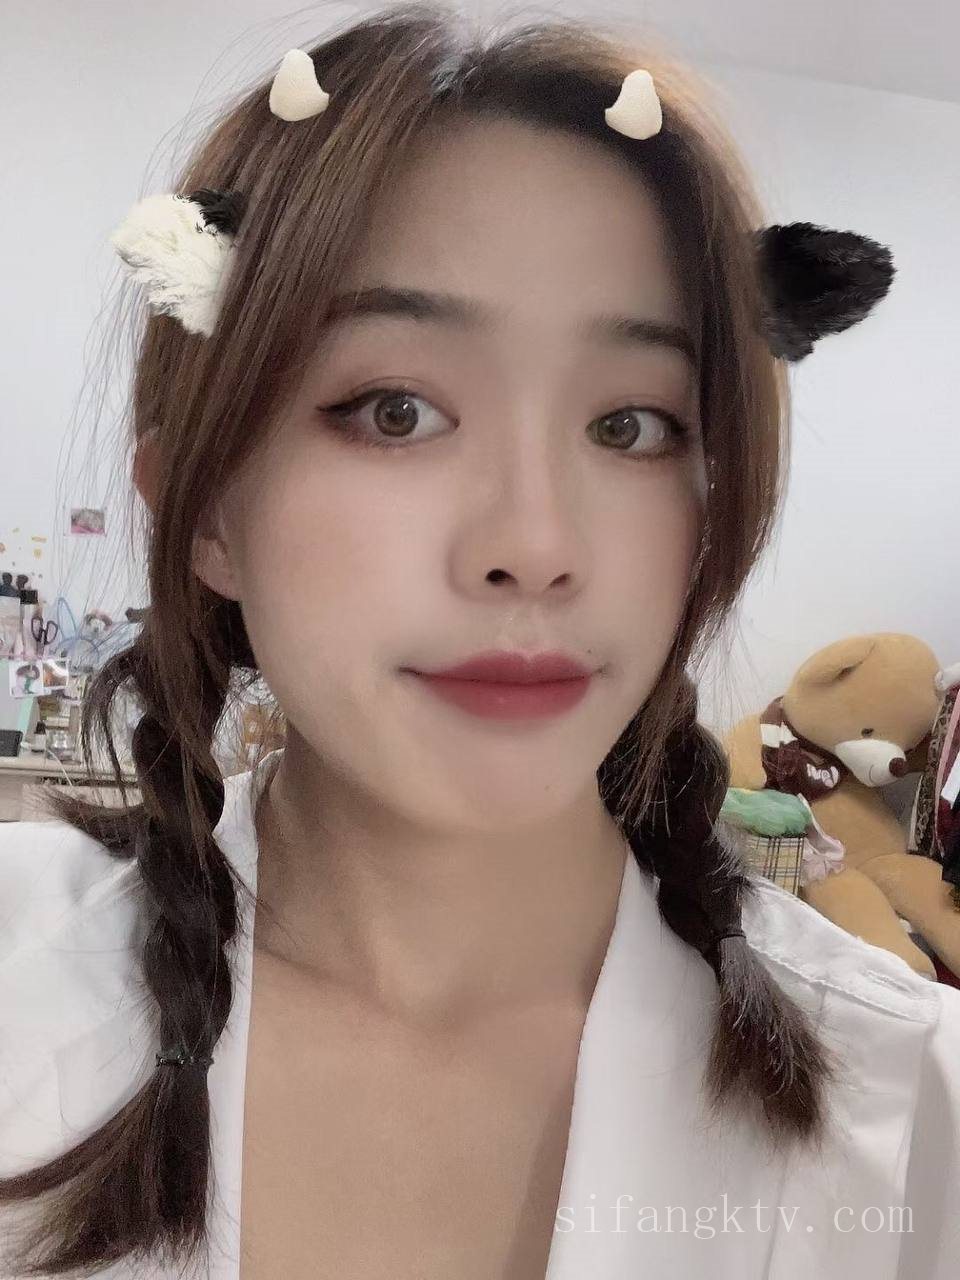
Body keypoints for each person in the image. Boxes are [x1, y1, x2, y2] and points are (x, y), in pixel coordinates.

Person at [1, 5, 957, 1278]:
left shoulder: (912, 1113)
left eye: (630, 425)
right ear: (206, 508)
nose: (536, 544)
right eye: (396, 410)